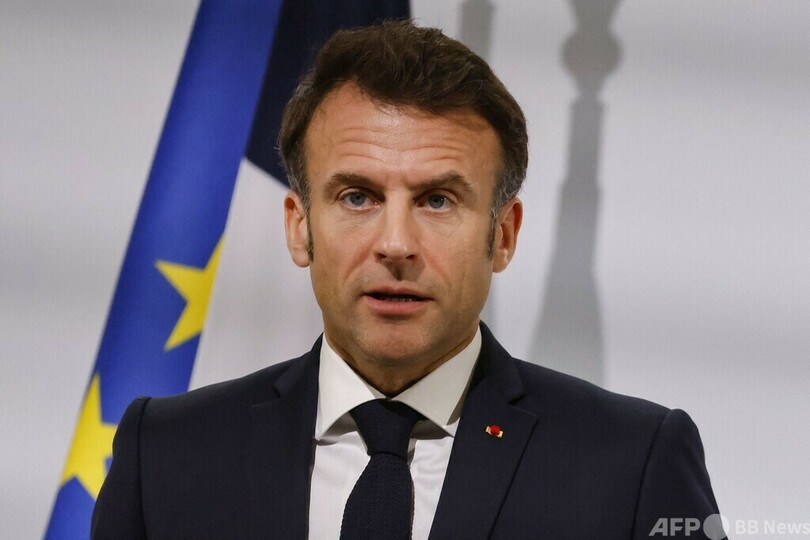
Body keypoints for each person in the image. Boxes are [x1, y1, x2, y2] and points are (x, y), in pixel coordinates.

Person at [92, 20, 722, 539]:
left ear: (503, 235)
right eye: (357, 197)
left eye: (438, 201)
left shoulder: (632, 462)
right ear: (299, 228)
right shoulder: (167, 453)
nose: (395, 244)